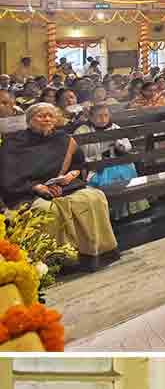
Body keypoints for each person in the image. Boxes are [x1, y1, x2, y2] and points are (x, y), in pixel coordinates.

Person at [0, 102, 119, 268]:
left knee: (94, 197)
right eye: (41, 116)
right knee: (47, 210)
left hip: (64, 186)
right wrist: (36, 187)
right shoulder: (14, 143)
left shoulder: (63, 139)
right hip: (28, 191)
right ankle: (56, 262)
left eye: (50, 115)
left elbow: (78, 165)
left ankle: (93, 253)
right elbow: (8, 175)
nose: (47, 119)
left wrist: (70, 176)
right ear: (29, 120)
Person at [73, 104, 149, 220]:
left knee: (126, 174)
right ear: (91, 117)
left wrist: (119, 146)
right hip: (95, 166)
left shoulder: (115, 127)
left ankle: (127, 212)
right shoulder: (82, 131)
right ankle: (107, 214)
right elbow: (79, 155)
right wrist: (99, 157)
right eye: (99, 116)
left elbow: (127, 146)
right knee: (105, 179)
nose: (103, 119)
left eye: (106, 115)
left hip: (117, 162)